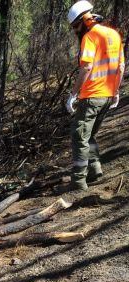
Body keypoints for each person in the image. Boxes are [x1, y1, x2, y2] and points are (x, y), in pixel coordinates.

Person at [60, 1, 125, 193]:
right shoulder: (114, 34)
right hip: (107, 95)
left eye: (74, 27)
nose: (74, 31)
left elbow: (87, 67)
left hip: (92, 95)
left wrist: (73, 94)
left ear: (83, 21)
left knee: (79, 135)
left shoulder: (90, 37)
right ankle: (95, 169)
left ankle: (78, 181)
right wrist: (115, 91)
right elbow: (121, 67)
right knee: (90, 135)